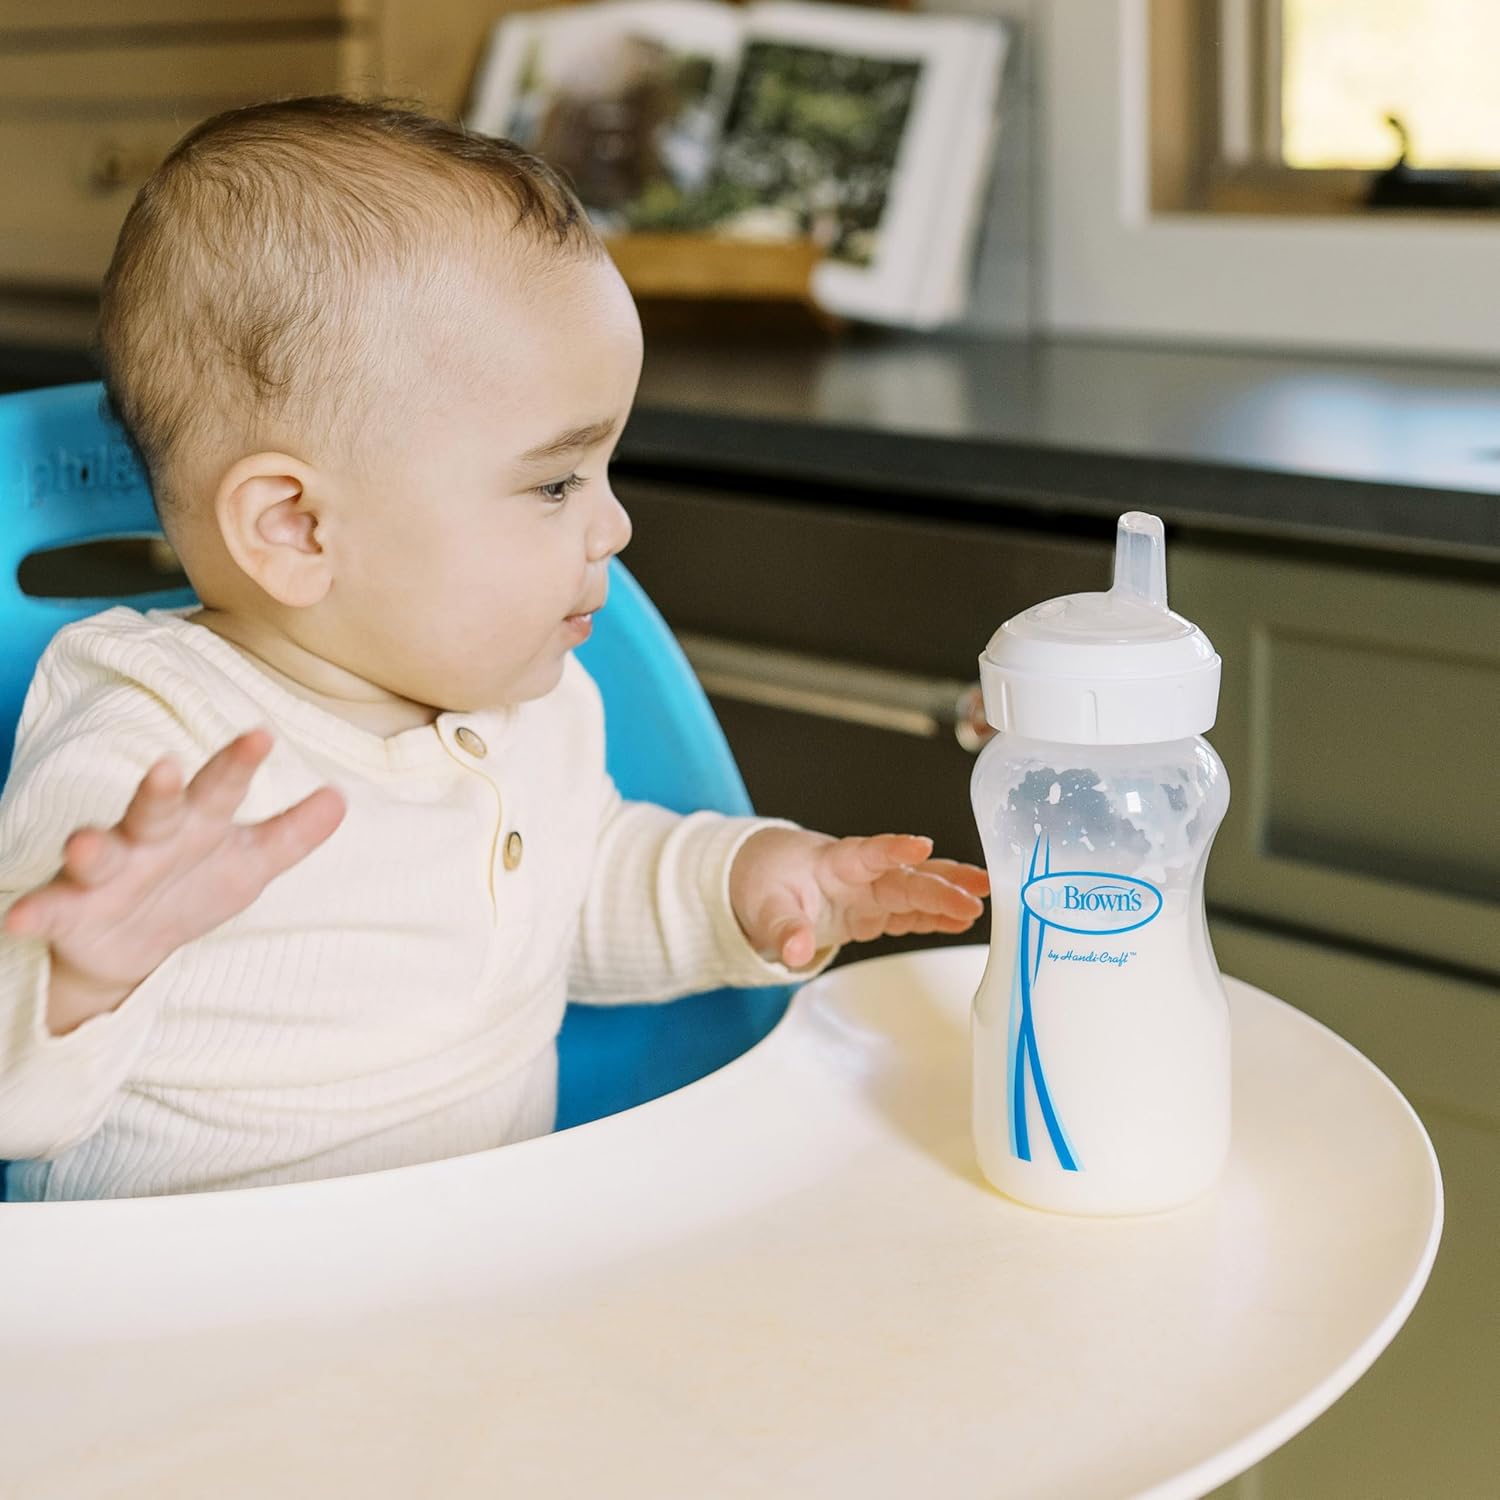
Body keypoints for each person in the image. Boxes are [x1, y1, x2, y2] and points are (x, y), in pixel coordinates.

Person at [0, 97, 988, 1202]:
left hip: (485, 1266)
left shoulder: (533, 705)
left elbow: (574, 891)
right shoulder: (152, 752)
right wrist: (74, 981)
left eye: (604, 472)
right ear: (297, 528)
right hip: (187, 1297)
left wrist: (750, 884)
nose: (613, 526)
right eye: (557, 482)